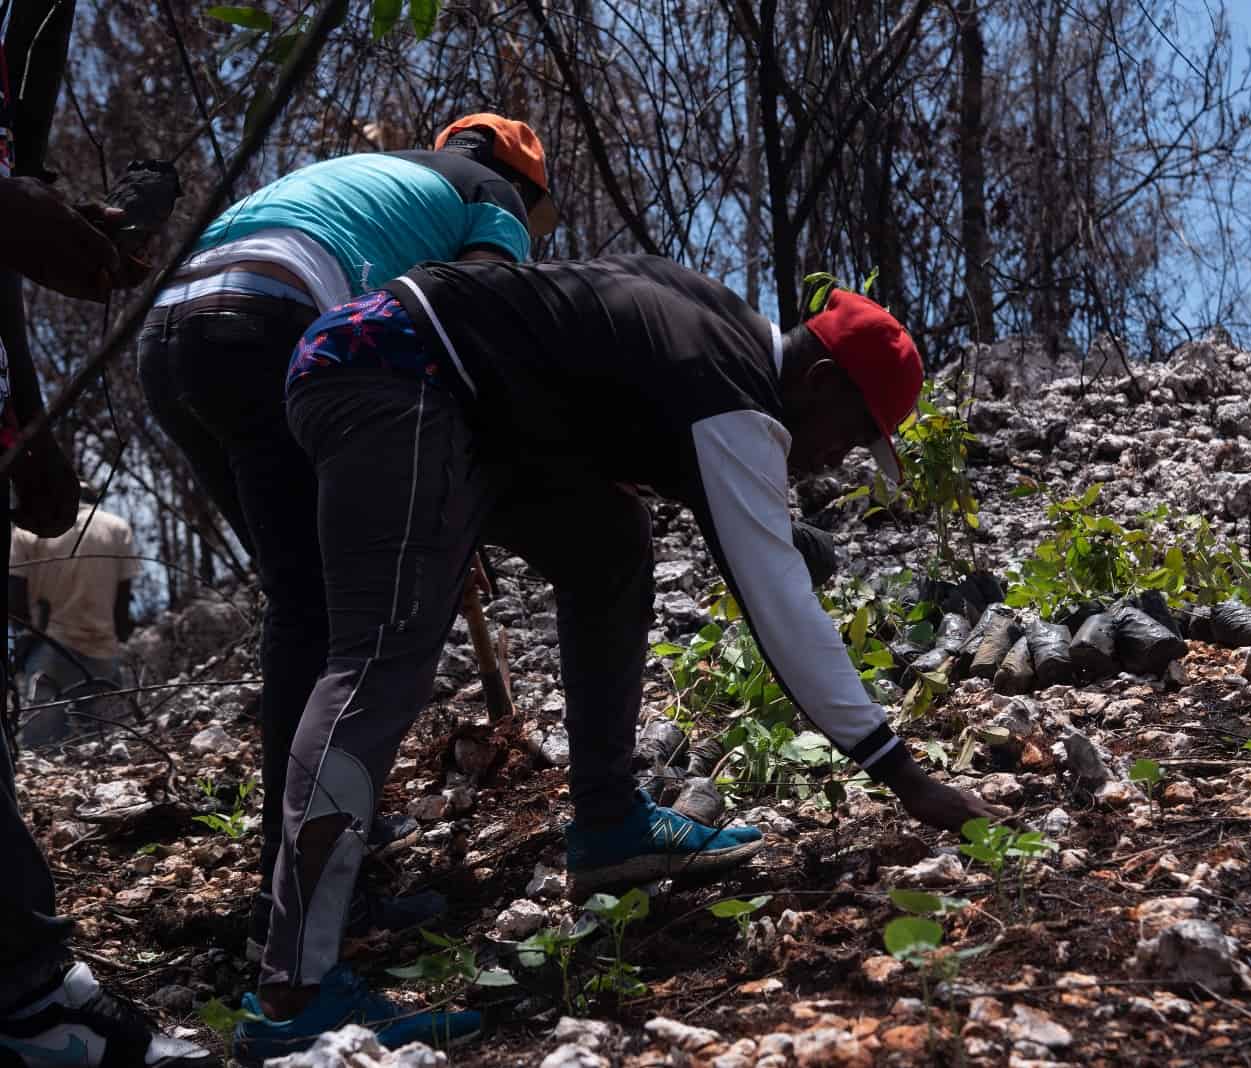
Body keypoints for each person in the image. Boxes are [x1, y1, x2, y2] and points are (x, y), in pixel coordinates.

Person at [231, 254, 1002, 1061]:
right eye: (852, 434)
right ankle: (294, 992)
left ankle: (608, 823)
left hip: (448, 394)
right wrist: (905, 778)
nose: (836, 460)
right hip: (392, 374)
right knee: (379, 664)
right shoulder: (728, 387)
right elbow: (779, 603)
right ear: (817, 380)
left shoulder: (718, 331)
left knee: (609, 540)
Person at [135, 113, 559, 957]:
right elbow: (469, 324)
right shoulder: (492, 195)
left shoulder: (364, 172)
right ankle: (302, 900)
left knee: (304, 602)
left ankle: (297, 871)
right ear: (529, 185)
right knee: (329, 621)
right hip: (268, 320)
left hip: (170, 336)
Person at [0, 1, 214, 1064]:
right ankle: (29, 993)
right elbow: (121, 610)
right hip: (88, 655)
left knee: (32, 745)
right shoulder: (121, 526)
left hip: (48, 651)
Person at [9, 487, 139, 745]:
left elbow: (14, 592)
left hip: (51, 649)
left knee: (42, 750)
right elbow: (123, 595)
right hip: (103, 649)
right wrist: (119, 635)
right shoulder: (117, 527)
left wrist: (24, 642)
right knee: (107, 746)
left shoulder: (29, 532)